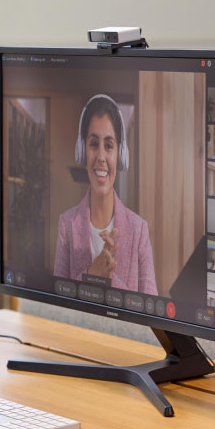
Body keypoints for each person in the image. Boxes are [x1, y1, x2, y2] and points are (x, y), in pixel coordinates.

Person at [54, 94, 158, 295]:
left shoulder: (139, 230)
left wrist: (107, 279)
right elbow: (59, 304)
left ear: (120, 156)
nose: (101, 157)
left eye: (109, 146)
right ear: (82, 152)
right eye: (94, 144)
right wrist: (91, 274)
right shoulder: (66, 225)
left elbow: (150, 311)